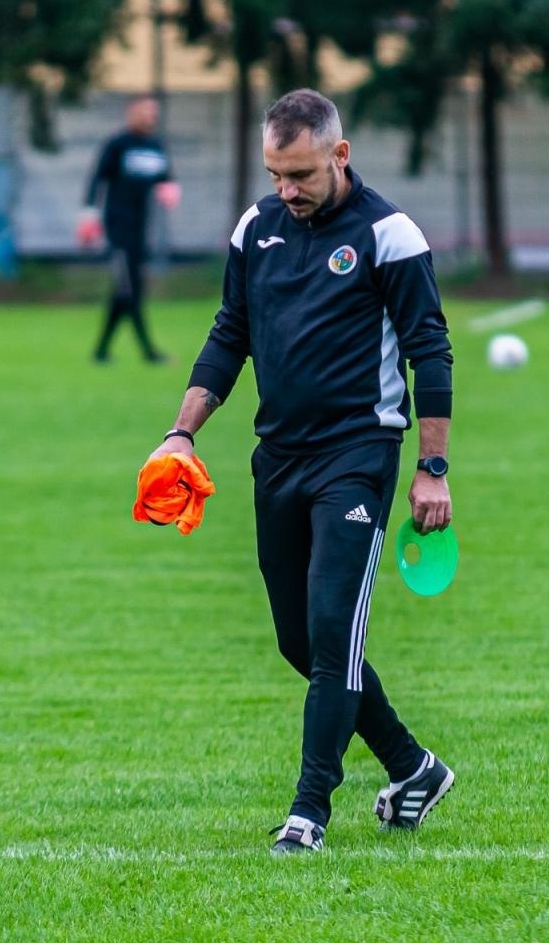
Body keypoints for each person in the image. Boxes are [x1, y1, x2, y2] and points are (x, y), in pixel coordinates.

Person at [144, 89, 456, 854]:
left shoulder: (389, 234)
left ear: (339, 156)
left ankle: (309, 809)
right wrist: (181, 433)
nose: (287, 190)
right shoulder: (258, 229)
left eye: (302, 174)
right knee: (300, 641)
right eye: (276, 174)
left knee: (331, 631)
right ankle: (414, 767)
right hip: (276, 458)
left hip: (358, 456)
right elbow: (229, 335)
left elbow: (430, 352)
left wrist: (433, 468)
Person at [82, 95, 181, 365]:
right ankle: (149, 352)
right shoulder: (118, 144)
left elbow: (165, 178)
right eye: (145, 111)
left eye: (154, 111)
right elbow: (97, 178)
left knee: (124, 292)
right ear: (131, 112)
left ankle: (101, 351)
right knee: (131, 290)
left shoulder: (155, 146)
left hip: (140, 230)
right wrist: (89, 214)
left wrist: (170, 189)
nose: (151, 116)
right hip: (118, 228)